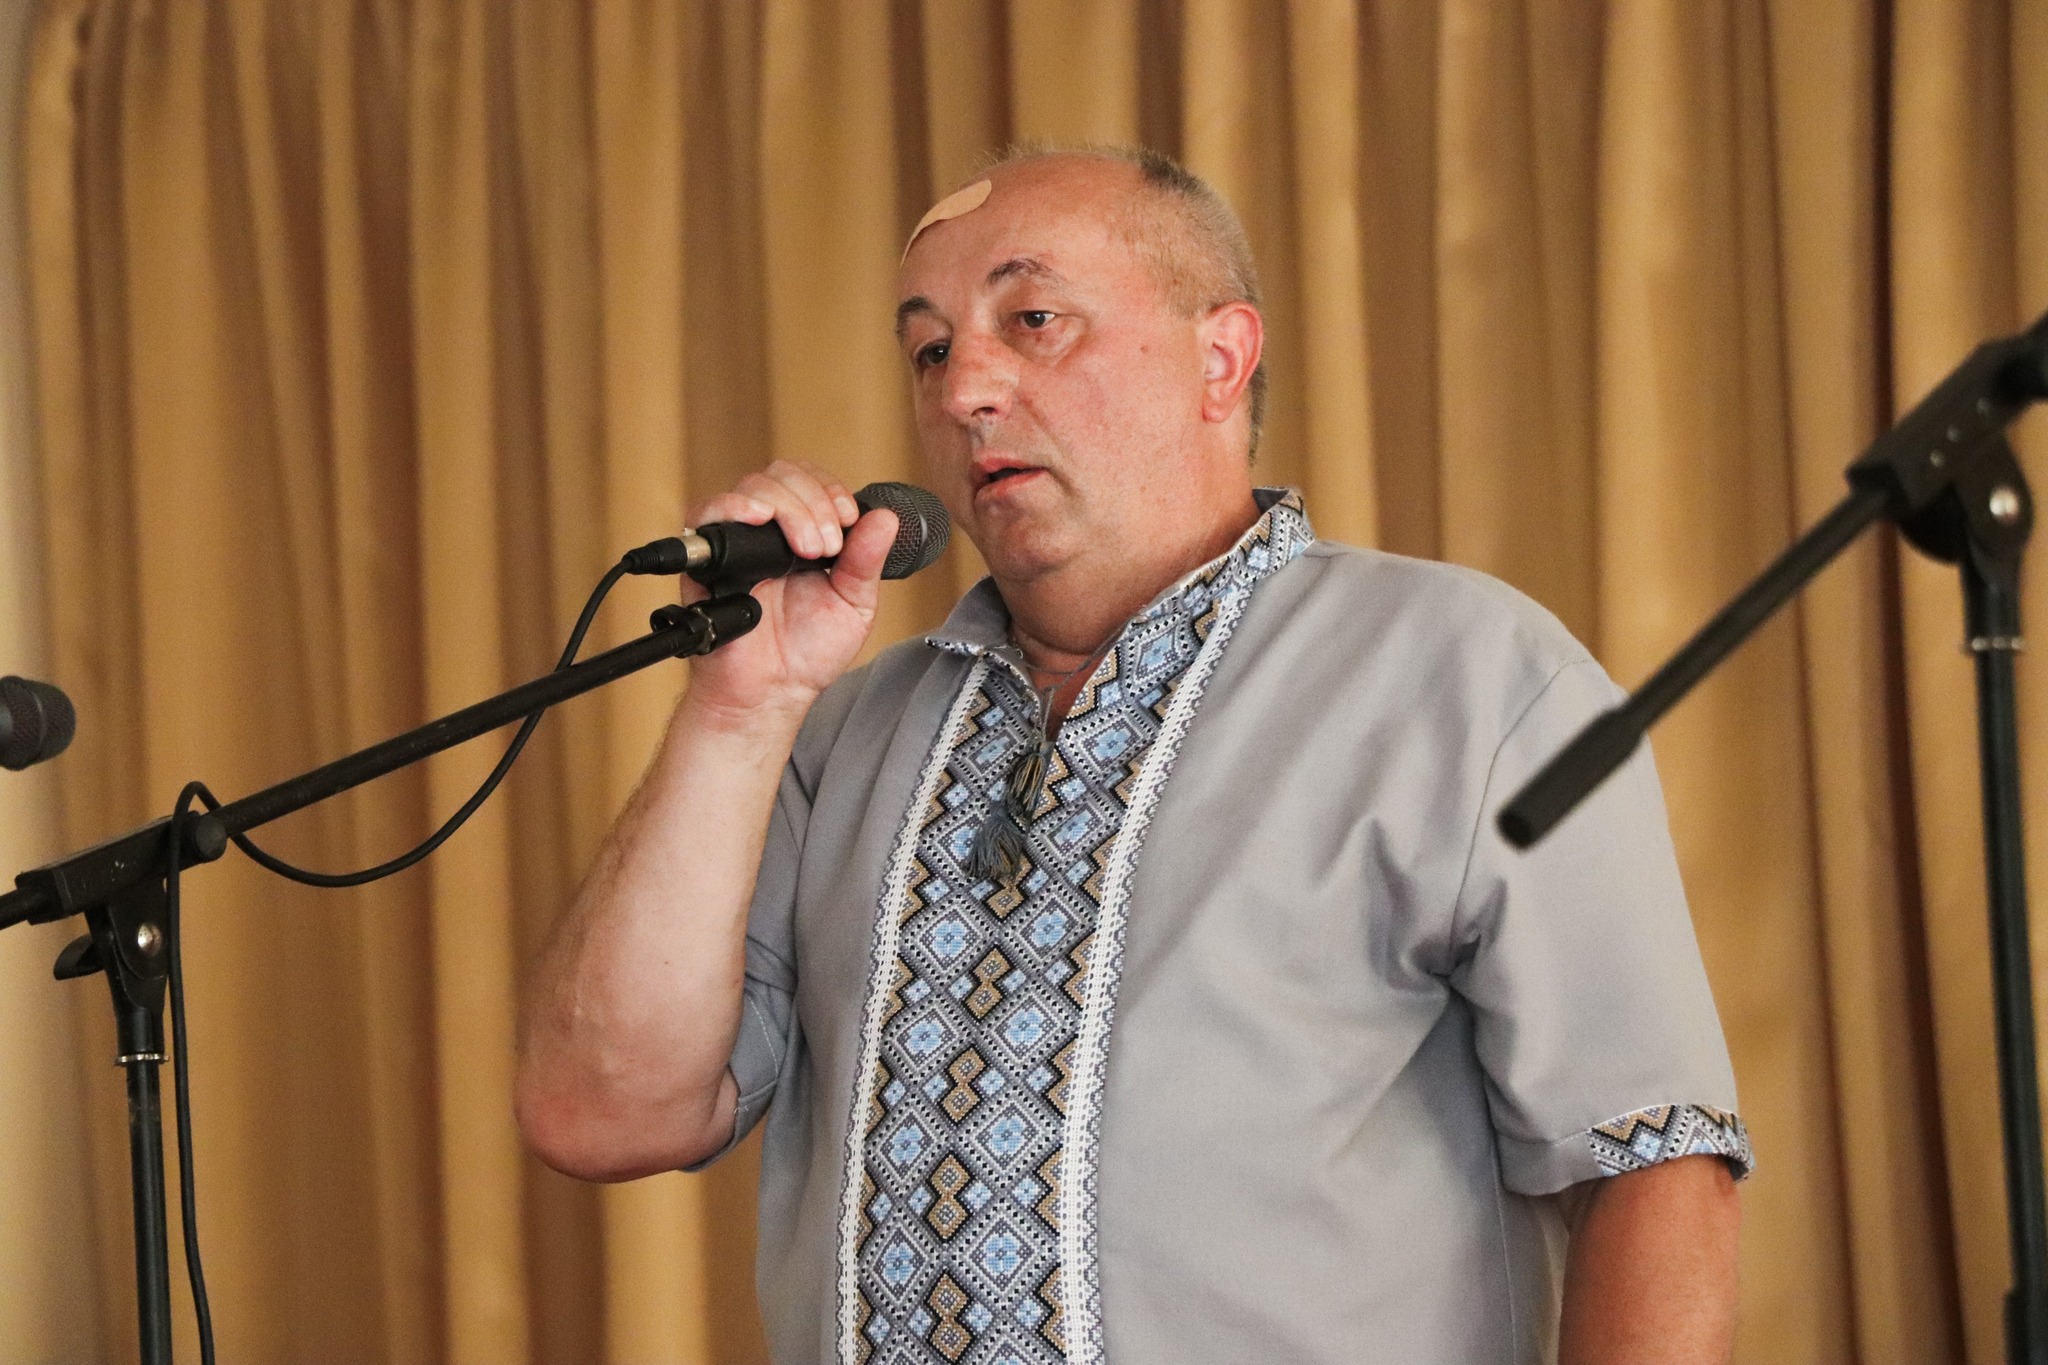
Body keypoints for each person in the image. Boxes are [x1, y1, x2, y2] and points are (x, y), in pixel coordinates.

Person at [516, 146, 1749, 1365]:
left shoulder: (1462, 674)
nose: (963, 390)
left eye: (1033, 321)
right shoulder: (843, 732)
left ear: (1220, 359)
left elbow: (1650, 1160)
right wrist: (739, 710)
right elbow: (596, 1115)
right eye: (930, 349)